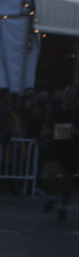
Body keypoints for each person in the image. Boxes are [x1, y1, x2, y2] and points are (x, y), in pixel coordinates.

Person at [41, 85, 78, 221]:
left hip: (71, 149)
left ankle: (63, 206)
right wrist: (46, 132)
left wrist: (75, 132)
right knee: (49, 176)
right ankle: (52, 196)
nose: (68, 95)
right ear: (63, 95)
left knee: (67, 182)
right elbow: (45, 129)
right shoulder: (54, 112)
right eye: (67, 92)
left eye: (73, 94)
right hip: (55, 147)